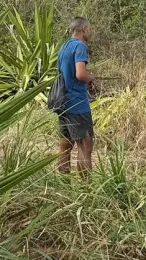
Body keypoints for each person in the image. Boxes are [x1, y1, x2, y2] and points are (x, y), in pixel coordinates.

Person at [56, 17, 96, 176]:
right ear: (84, 28)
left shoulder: (63, 47)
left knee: (65, 146)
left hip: (63, 102)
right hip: (77, 103)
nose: (90, 32)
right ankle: (88, 192)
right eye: (89, 28)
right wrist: (91, 78)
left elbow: (66, 74)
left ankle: (64, 185)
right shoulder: (79, 46)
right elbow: (80, 74)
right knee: (85, 146)